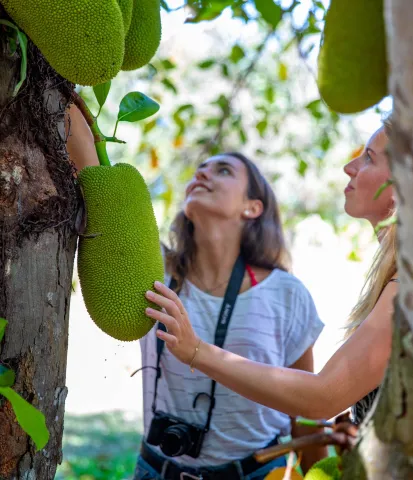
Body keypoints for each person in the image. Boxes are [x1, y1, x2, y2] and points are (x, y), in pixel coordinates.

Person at [65, 104, 325, 479]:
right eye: (201, 168)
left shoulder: (286, 294)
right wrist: (64, 87)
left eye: (223, 170)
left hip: (257, 473)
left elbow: (306, 407)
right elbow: (87, 159)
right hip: (157, 469)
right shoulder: (151, 271)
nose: (202, 172)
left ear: (253, 207)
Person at [144, 119, 398, 428]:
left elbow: (320, 397)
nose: (349, 166)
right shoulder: (154, 266)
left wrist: (197, 351)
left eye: (369, 157)